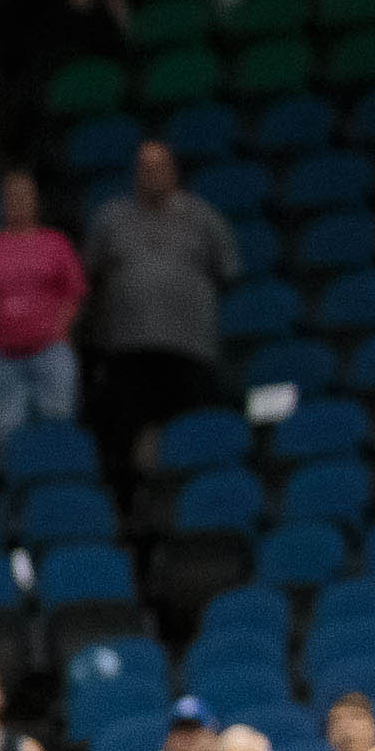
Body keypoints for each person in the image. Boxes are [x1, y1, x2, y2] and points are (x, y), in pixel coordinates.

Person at [81, 138, 237, 500]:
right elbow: (90, 278)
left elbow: (227, 273)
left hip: (189, 350)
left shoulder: (203, 218)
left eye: (159, 166)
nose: (152, 174)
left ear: (174, 171)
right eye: (145, 167)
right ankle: (129, 512)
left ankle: (197, 505)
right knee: (123, 439)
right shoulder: (110, 218)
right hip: (127, 351)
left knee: (191, 438)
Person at [0, 169, 85, 441]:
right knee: (8, 432)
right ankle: (16, 483)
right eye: (11, 196)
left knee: (58, 427)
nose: (17, 201)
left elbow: (74, 292)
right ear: (1, 202)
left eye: (23, 195)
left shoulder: (55, 242)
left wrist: (58, 331)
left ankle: (59, 480)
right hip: (1, 357)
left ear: (35, 200)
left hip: (50, 353)